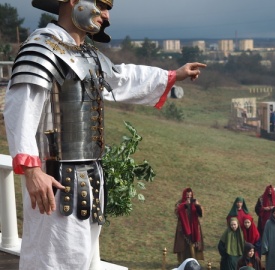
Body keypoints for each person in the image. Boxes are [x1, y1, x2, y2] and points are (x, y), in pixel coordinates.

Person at [4, 1, 206, 269]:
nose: (106, 15)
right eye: (100, 4)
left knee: (83, 259)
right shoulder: (42, 49)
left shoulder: (87, 55)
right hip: (55, 179)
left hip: (90, 179)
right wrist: (32, 172)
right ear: (74, 2)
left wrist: (171, 76)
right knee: (52, 260)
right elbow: (20, 111)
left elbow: (122, 78)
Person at [174, 188, 205, 263]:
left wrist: (197, 205)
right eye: (187, 195)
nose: (189, 197)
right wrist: (185, 205)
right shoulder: (180, 202)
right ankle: (183, 262)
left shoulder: (194, 202)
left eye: (190, 195)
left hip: (194, 227)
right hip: (183, 228)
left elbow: (201, 214)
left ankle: (194, 261)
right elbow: (177, 211)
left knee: (194, 245)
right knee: (184, 246)